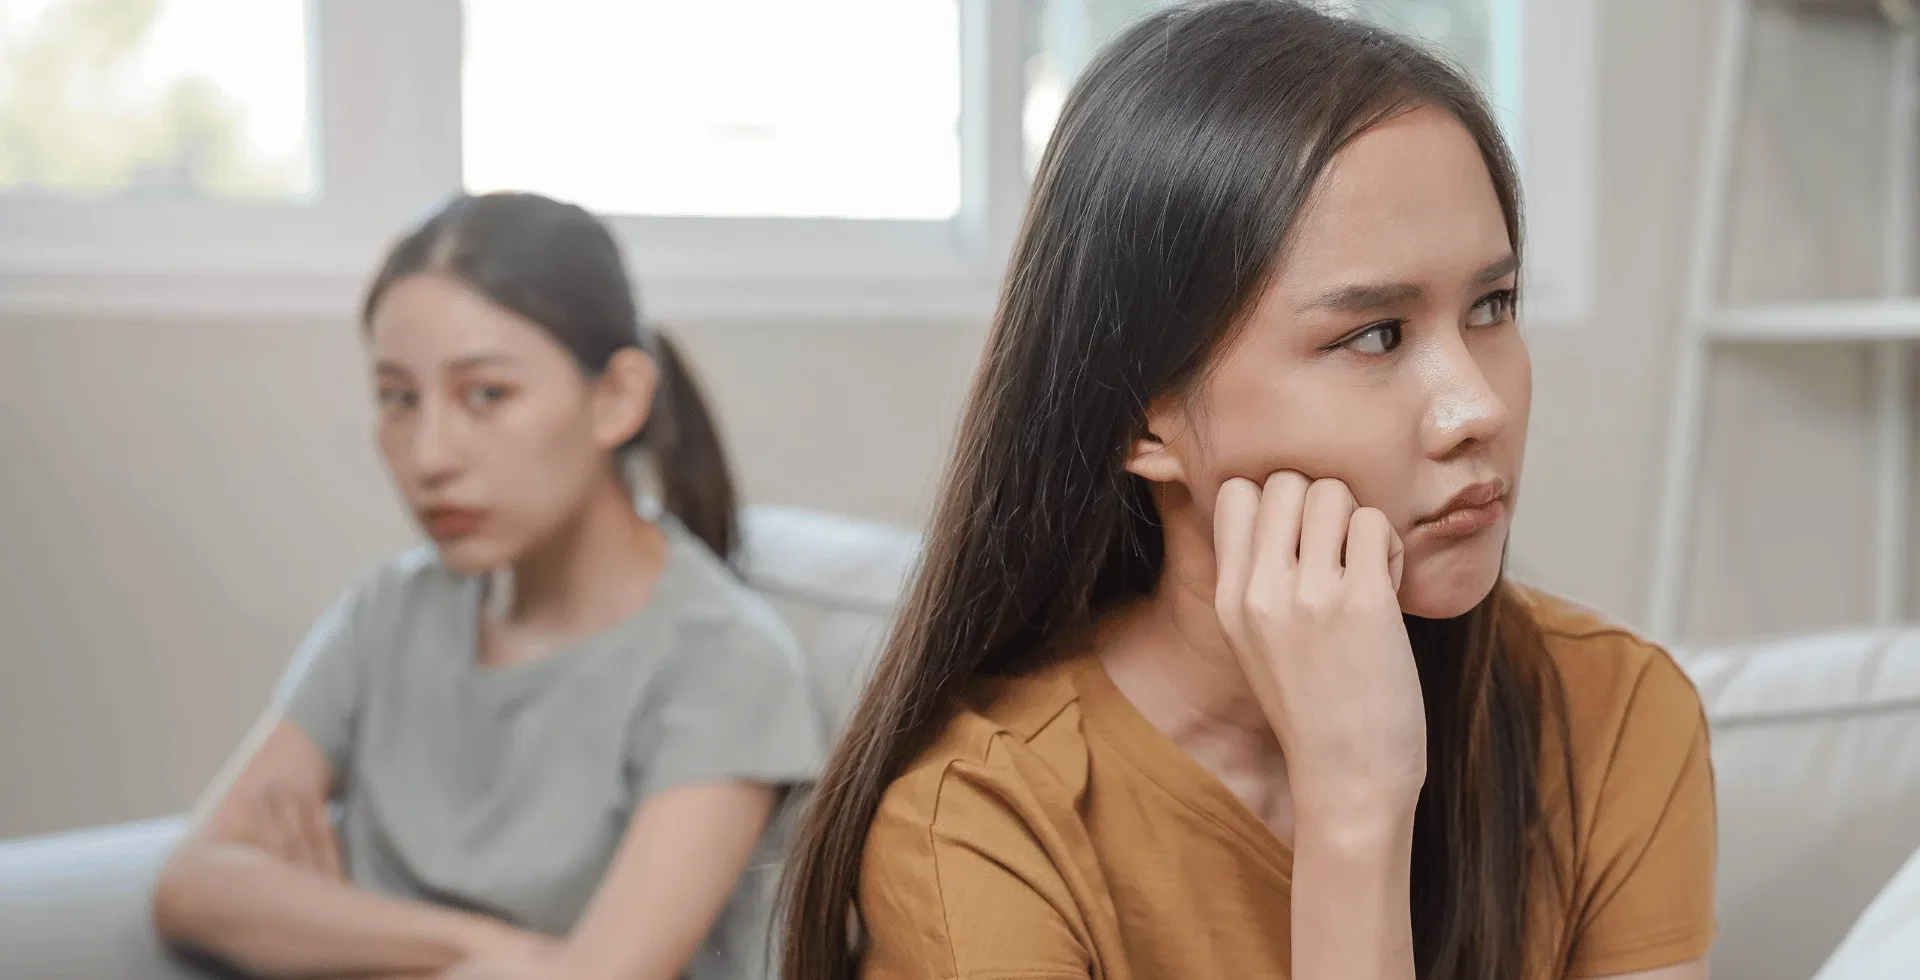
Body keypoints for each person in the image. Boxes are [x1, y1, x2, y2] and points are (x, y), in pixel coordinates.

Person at [781, 3, 1714, 980]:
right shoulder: (982, 826)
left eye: (1492, 305)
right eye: (1376, 334)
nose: (1476, 405)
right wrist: (1354, 809)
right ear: (1144, 417)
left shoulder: (1611, 714)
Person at [152, 192, 824, 980]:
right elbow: (192, 884)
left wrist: (330, 929)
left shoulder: (724, 662)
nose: (430, 455)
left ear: (616, 398)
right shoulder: (386, 614)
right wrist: (494, 949)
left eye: (487, 395)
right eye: (398, 398)